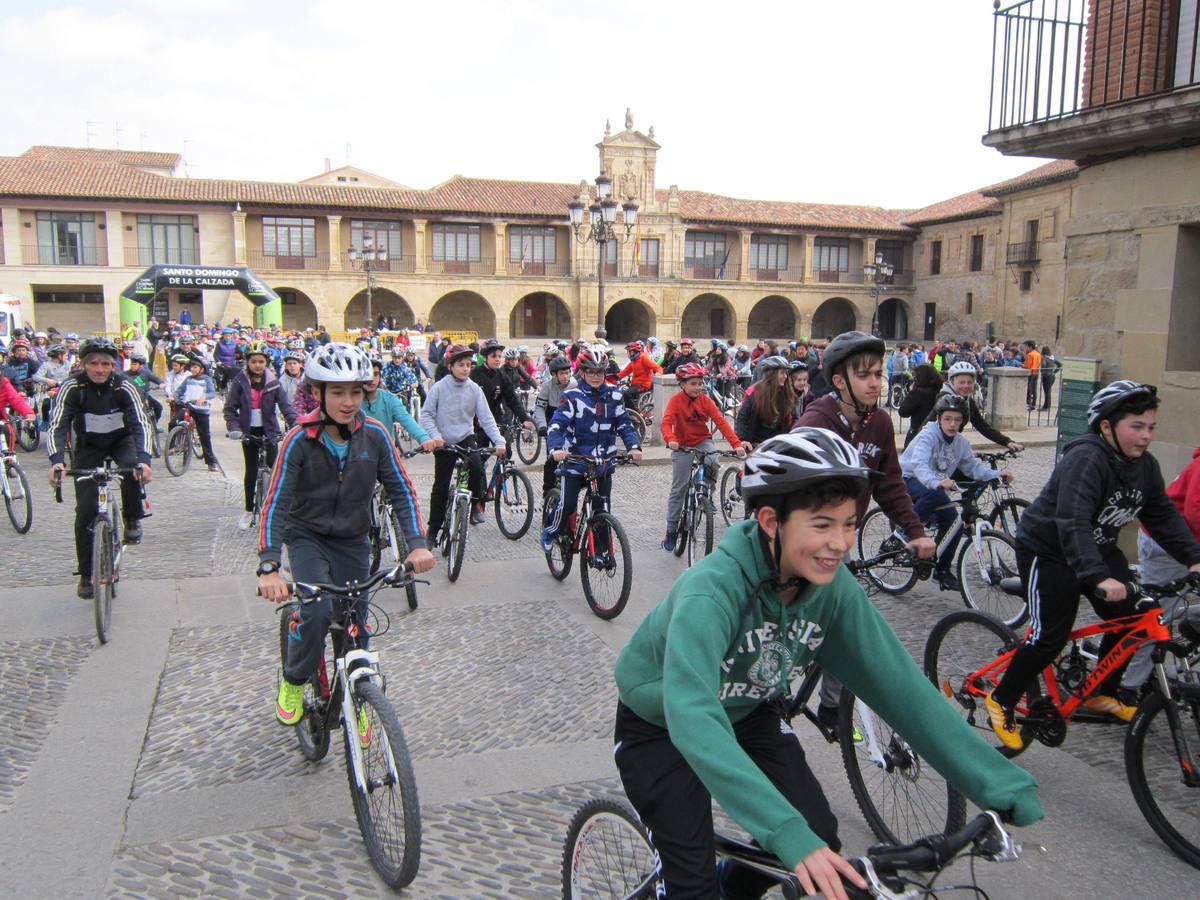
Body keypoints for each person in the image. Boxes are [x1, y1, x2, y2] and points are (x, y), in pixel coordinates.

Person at [612, 429, 1044, 899]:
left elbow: (901, 687)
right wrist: (785, 833)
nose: (840, 543)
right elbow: (692, 715)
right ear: (771, 521)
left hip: (748, 708)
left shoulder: (832, 589)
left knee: (818, 834)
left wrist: (997, 782)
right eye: (821, 525)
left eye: (849, 524)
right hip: (661, 723)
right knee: (691, 881)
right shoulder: (712, 591)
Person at [988, 381, 1200, 749]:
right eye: (1137, 426)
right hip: (1048, 551)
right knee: (1049, 637)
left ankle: (1102, 691)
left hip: (1098, 550)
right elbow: (1072, 520)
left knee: (1134, 620)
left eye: (1151, 427)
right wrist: (1096, 575)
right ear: (1106, 426)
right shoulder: (1086, 459)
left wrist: (1195, 559)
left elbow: (1163, 516)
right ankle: (1001, 699)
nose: (1146, 435)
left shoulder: (1143, 467)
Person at [256, 343, 433, 728]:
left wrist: (417, 544)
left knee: (356, 623)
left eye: (356, 391)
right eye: (337, 392)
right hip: (307, 537)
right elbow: (276, 503)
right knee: (317, 611)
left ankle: (359, 698)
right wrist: (269, 565)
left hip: (354, 539)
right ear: (318, 393)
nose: (349, 401)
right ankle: (294, 679)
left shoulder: (375, 435)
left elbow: (402, 489)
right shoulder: (298, 440)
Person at [794, 331, 936, 727]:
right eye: (864, 375)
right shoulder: (816, 423)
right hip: (801, 544)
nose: (876, 382)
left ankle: (830, 709)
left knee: (846, 625)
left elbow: (890, 484)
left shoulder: (880, 424)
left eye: (878, 373)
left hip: (840, 543)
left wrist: (915, 531)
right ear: (839, 381)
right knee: (797, 623)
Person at [46, 338, 154, 599]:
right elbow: (57, 425)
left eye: (106, 364)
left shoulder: (124, 385)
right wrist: (57, 461)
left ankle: (131, 517)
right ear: (83, 364)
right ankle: (86, 573)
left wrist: (145, 460)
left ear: (114, 365)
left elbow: (141, 422)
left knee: (130, 469)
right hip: (89, 446)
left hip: (121, 440)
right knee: (85, 511)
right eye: (93, 363)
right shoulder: (72, 387)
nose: (99, 369)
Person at [900, 394, 1013, 590]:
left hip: (935, 484)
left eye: (957, 420)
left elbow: (973, 468)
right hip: (910, 478)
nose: (952, 424)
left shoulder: (961, 443)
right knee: (934, 494)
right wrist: (936, 482)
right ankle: (904, 532)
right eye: (947, 419)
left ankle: (942, 571)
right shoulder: (928, 435)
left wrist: (996, 474)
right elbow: (918, 464)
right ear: (939, 418)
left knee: (955, 522)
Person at [540, 345, 643, 552]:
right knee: (568, 504)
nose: (596, 376)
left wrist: (634, 447)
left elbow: (624, 424)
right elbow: (557, 425)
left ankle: (602, 552)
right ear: (583, 372)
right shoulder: (572, 397)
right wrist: (556, 448)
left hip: (603, 463)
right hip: (575, 460)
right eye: (591, 372)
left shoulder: (614, 396)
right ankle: (550, 530)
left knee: (602, 508)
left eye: (600, 372)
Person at [419, 344, 505, 539]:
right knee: (440, 486)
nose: (466, 368)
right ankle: (433, 529)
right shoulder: (440, 387)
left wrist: (499, 442)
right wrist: (435, 435)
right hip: (443, 440)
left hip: (466, 437)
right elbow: (426, 414)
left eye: (468, 365)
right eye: (461, 365)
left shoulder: (474, 389)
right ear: (451, 366)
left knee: (477, 468)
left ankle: (475, 503)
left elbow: (486, 418)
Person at [660, 362, 748, 550]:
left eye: (700, 383)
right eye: (693, 383)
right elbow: (666, 423)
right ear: (682, 384)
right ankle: (672, 529)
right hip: (682, 445)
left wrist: (737, 444)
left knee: (713, 460)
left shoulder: (706, 400)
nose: (698, 387)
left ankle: (708, 494)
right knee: (678, 489)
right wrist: (671, 439)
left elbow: (721, 422)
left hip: (702, 441)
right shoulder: (676, 401)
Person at [224, 342, 296, 529]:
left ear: (267, 362)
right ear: (248, 362)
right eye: (254, 361)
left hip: (269, 431)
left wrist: (295, 423)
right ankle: (248, 510)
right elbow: (230, 409)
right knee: (251, 470)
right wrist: (234, 428)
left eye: (261, 361)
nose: (257, 365)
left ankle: (279, 511)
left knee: (275, 471)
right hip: (249, 432)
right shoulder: (240, 381)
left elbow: (285, 406)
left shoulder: (273, 382)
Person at [934, 361, 1024, 452]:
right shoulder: (945, 400)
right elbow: (932, 428)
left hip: (950, 446)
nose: (966, 386)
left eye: (969, 382)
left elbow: (982, 425)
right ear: (952, 382)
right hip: (936, 448)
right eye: (961, 382)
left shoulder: (968, 402)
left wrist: (1006, 441)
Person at [361, 356, 436, 453]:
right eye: (367, 374)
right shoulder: (351, 401)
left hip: (385, 455)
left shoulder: (390, 399)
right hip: (357, 456)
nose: (372, 379)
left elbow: (407, 420)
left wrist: (424, 438)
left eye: (375, 374)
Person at [471, 339, 534, 452]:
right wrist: (475, 420)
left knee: (507, 451)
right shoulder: (475, 375)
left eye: (499, 356)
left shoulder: (502, 376)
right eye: (494, 356)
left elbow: (512, 399)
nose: (497, 359)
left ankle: (502, 470)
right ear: (485, 358)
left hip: (496, 419)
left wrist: (524, 418)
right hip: (477, 422)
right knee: (481, 456)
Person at [533, 355, 574, 497]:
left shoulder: (575, 385)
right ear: (554, 375)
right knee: (551, 462)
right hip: (552, 423)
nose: (565, 376)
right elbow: (539, 408)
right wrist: (542, 426)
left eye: (567, 372)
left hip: (569, 425)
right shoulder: (546, 386)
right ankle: (548, 493)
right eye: (562, 373)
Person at [734, 355, 795, 447]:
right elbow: (743, 417)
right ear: (772, 374)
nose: (785, 376)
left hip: (778, 442)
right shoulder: (755, 392)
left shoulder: (786, 392)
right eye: (782, 373)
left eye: (786, 373)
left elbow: (791, 420)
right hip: (756, 442)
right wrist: (742, 440)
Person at [172, 357, 220, 471]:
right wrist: (175, 398)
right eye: (192, 367)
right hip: (188, 407)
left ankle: (210, 462)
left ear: (201, 369)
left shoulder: (206, 379)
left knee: (204, 436)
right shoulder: (188, 379)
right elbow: (179, 391)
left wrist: (204, 397)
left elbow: (212, 393)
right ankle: (172, 446)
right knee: (174, 422)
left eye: (195, 367)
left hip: (201, 409)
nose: (192, 369)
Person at [899, 364, 944, 449]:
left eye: (915, 377)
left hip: (917, 433)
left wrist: (911, 393)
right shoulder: (938, 391)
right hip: (937, 434)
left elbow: (903, 411)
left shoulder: (919, 393)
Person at [618, 340, 662, 410]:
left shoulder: (643, 358)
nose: (627, 354)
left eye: (628, 351)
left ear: (633, 351)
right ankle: (629, 411)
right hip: (636, 384)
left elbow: (657, 367)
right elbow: (625, 372)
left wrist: (658, 373)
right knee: (621, 393)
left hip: (643, 384)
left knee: (626, 394)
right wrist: (615, 377)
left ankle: (636, 414)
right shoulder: (634, 360)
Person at [125, 352, 164, 429]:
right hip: (131, 398)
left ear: (141, 366)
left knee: (159, 407)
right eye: (132, 364)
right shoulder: (125, 375)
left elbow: (157, 380)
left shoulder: (146, 373)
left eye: (135, 364)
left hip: (145, 397)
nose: (132, 366)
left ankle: (154, 426)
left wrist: (161, 384)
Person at [1038, 345, 1060, 411]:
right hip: (1052, 376)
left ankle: (1046, 407)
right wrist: (1055, 371)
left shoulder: (1044, 358)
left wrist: (1042, 371)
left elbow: (1044, 366)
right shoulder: (1052, 358)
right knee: (1048, 391)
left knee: (1047, 392)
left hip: (1046, 376)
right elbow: (1060, 364)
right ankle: (1046, 405)